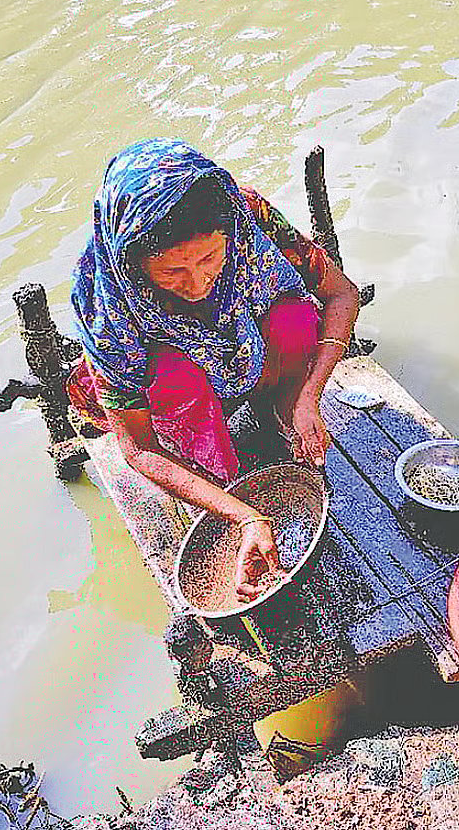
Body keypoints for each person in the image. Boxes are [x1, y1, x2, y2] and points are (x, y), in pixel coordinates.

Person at [68, 139, 360, 600]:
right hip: (177, 395)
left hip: (247, 355)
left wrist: (309, 398)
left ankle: (283, 415)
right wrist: (241, 514)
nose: (198, 282)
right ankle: (220, 472)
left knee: (293, 319)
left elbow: (341, 294)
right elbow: (139, 449)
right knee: (175, 376)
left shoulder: (245, 213)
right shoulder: (105, 301)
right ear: (135, 265)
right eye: (172, 273)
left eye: (209, 259)